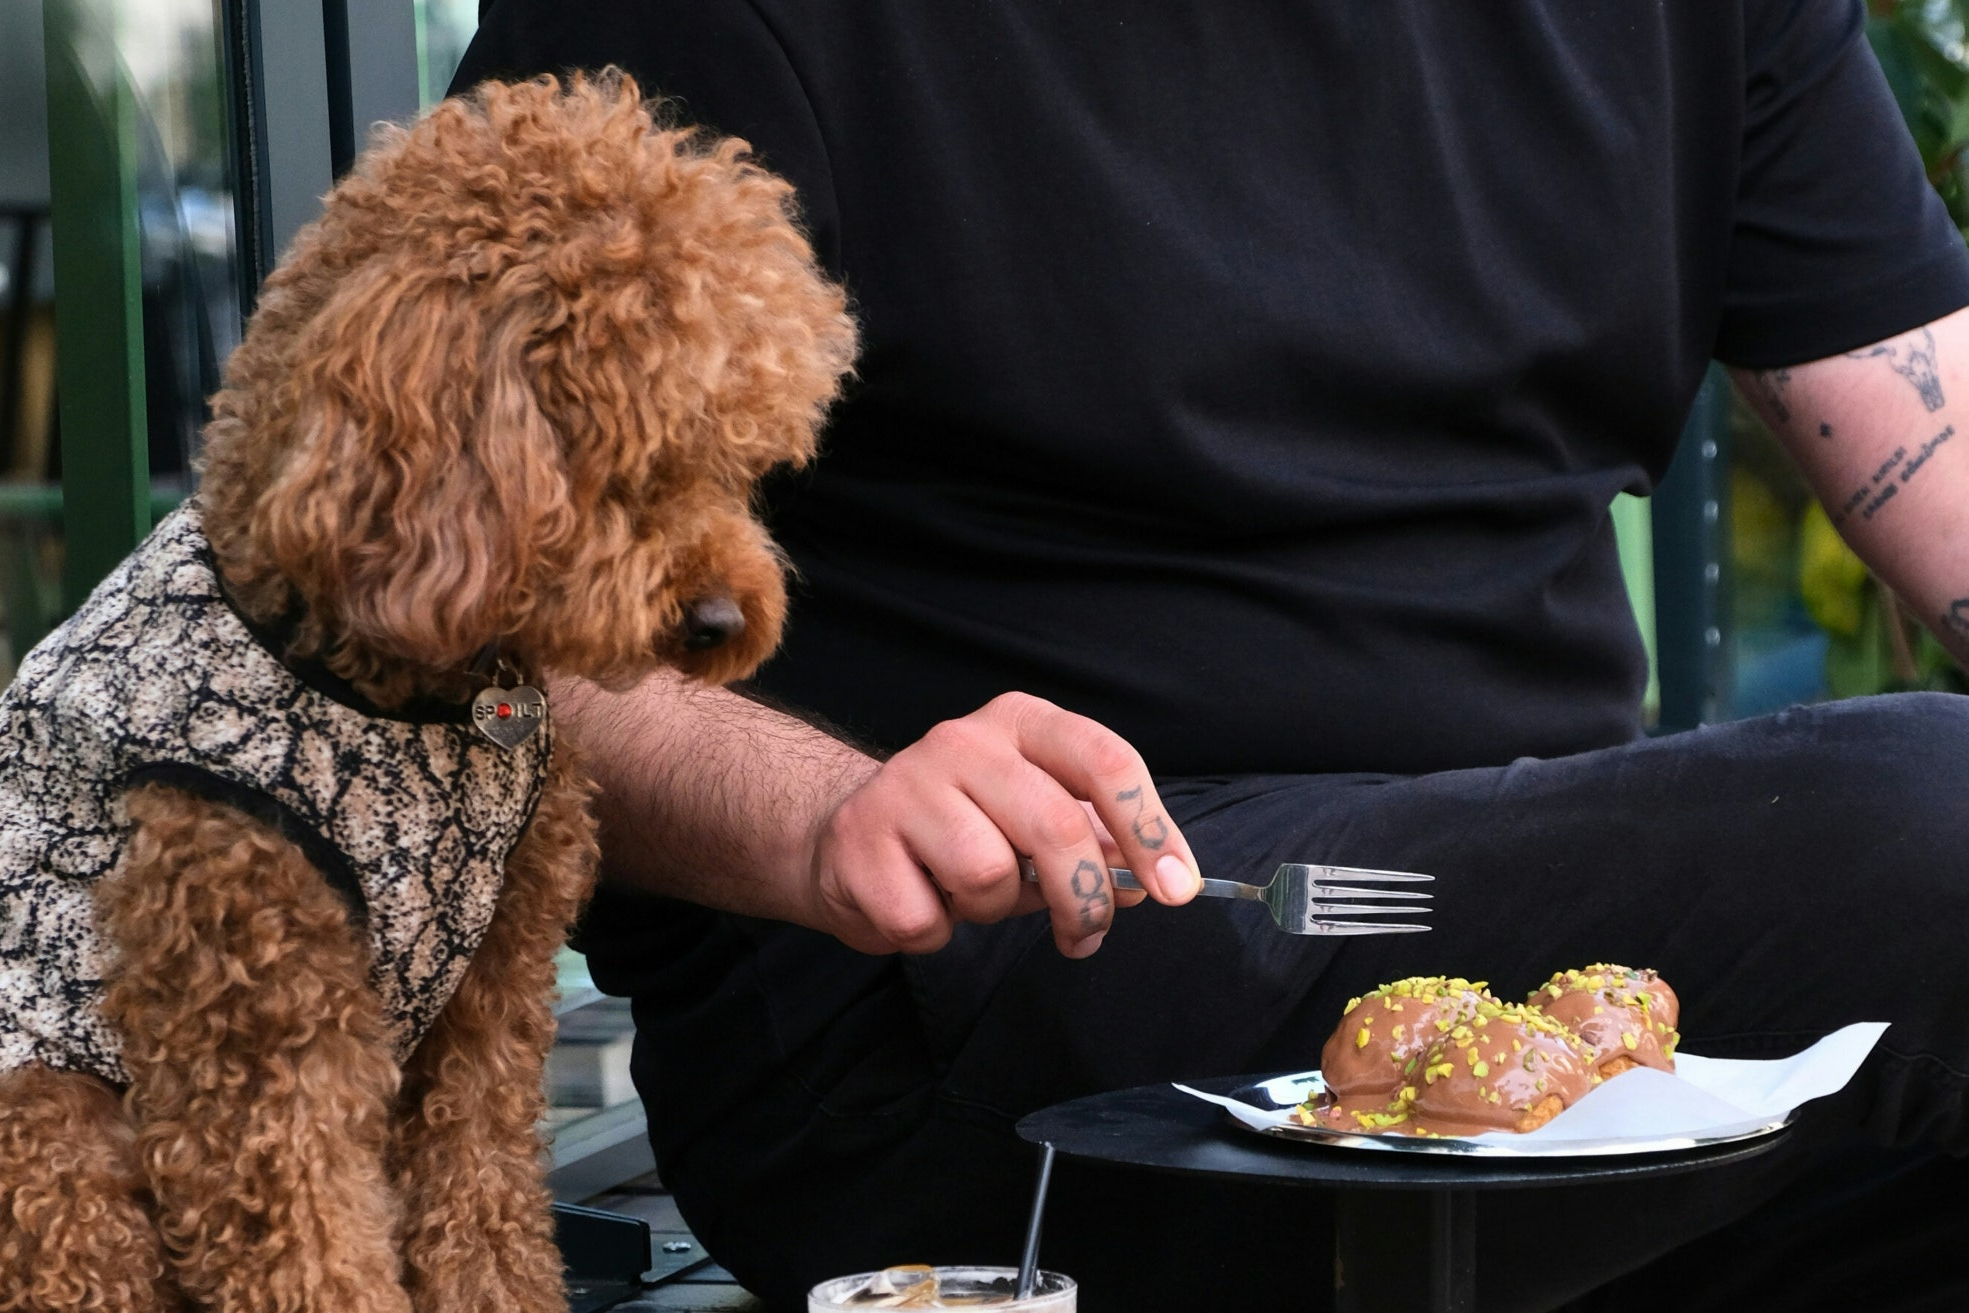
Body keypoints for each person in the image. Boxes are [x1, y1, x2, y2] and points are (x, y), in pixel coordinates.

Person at [453, 4, 1969, 1309]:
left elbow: (1940, 464)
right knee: (1939, 824)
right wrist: (822, 813)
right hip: (988, 985)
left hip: (1538, 938)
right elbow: (461, 612)